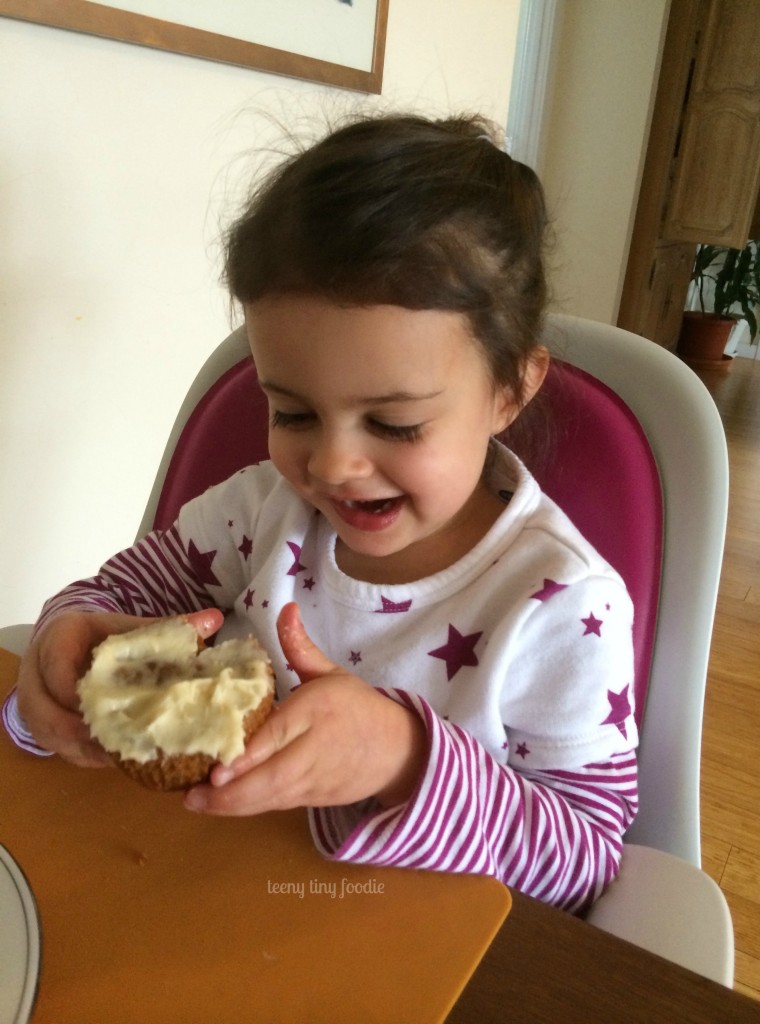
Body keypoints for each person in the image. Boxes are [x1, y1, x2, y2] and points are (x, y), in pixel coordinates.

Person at [3, 113, 638, 913]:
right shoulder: (256, 514)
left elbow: (586, 865)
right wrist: (64, 641)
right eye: (293, 414)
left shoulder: (560, 603)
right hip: (193, 893)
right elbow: (109, 600)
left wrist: (403, 761)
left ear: (510, 389)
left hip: (400, 946)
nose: (332, 467)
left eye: (396, 424)